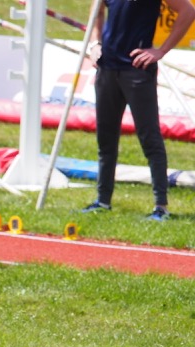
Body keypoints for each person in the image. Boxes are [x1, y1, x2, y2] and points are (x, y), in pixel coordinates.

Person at [82, 0, 195, 220]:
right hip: (107, 69)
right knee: (105, 139)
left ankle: (160, 206)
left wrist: (161, 51)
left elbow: (188, 11)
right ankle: (103, 201)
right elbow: (97, 8)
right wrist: (95, 43)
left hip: (136, 71)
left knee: (149, 138)